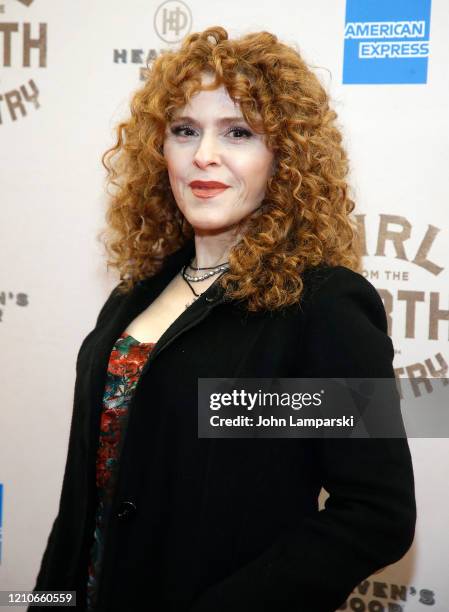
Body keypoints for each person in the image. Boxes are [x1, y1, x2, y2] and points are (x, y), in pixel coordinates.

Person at [30, 26, 416, 612]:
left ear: (283, 157)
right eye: (185, 131)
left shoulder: (323, 307)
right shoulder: (135, 295)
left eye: (238, 132)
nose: (204, 155)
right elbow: (87, 497)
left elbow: (375, 512)